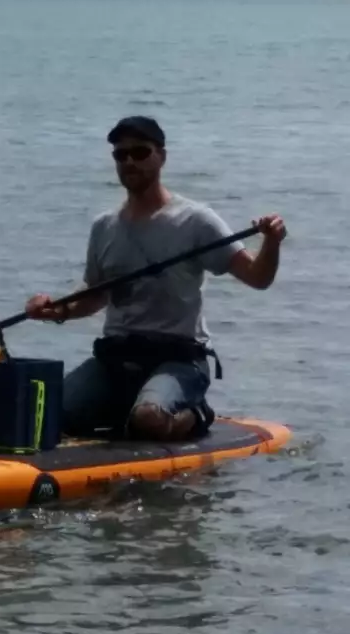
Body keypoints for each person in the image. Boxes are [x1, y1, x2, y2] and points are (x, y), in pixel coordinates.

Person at [25, 116, 287, 442]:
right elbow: (94, 296)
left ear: (161, 156)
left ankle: (195, 414)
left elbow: (257, 277)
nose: (130, 161)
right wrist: (57, 310)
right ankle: (120, 410)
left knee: (148, 420)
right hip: (115, 360)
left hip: (179, 360)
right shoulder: (104, 227)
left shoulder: (195, 220)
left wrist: (272, 242)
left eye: (140, 152)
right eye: (121, 155)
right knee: (44, 417)